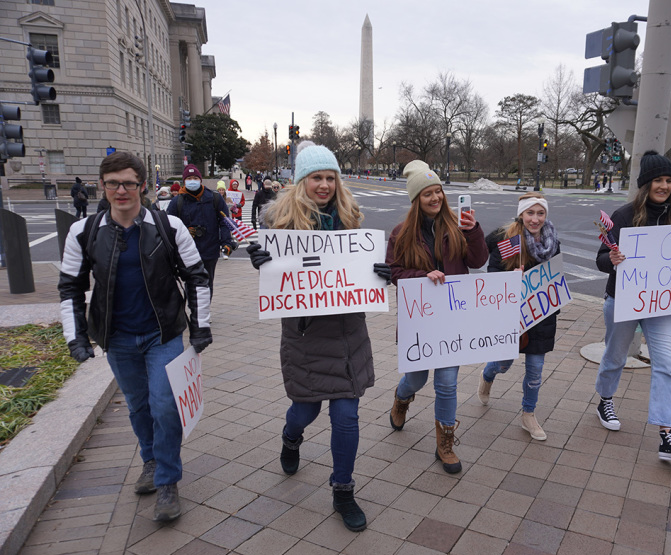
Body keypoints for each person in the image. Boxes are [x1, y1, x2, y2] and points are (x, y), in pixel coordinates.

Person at [58, 151, 212, 522]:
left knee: (164, 406)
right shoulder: (85, 232)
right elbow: (70, 288)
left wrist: (200, 325)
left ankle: (167, 482)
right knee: (139, 407)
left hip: (163, 334)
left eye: (129, 183)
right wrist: (75, 336)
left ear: (142, 187)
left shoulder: (167, 225)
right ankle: (150, 461)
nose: (121, 190)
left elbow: (197, 276)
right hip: (119, 338)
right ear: (103, 186)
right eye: (113, 183)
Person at [245, 143, 389, 532]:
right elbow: (280, 283)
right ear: (301, 182)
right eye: (316, 178)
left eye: (330, 178)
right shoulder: (281, 226)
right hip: (306, 337)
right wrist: (262, 265)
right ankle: (291, 438)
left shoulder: (352, 220)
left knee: (346, 416)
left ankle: (343, 490)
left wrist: (380, 272)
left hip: (347, 335)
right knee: (305, 410)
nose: (324, 185)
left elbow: (359, 272)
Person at [593, 150, 671, 462]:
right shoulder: (623, 216)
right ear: (645, 184)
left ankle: (667, 435)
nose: (664, 186)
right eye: (658, 180)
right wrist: (614, 260)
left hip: (661, 306)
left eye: (669, 180)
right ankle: (605, 399)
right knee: (615, 355)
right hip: (623, 301)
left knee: (666, 364)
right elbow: (600, 259)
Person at [385, 160, 489, 474]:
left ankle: (445, 442)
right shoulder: (401, 233)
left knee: (446, 382)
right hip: (420, 320)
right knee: (417, 378)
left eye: (438, 191)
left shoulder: (457, 226)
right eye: (428, 193)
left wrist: (473, 232)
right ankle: (402, 399)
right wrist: (422, 275)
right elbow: (393, 272)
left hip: (451, 320)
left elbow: (479, 259)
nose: (435, 198)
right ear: (416, 199)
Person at [479, 194, 561, 441]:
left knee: (535, 370)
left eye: (540, 213)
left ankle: (528, 414)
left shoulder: (553, 240)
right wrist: (510, 276)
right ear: (521, 215)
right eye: (530, 213)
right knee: (503, 364)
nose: (535, 219)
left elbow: (556, 274)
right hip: (512, 313)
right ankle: (488, 376)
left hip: (542, 313)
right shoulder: (510, 239)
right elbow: (493, 271)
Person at [166, 164, 236, 292]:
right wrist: (184, 232)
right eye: (189, 178)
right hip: (187, 252)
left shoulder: (214, 198)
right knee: (192, 286)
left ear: (200, 180)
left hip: (210, 251)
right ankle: (195, 311)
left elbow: (225, 222)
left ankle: (203, 311)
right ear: (184, 181)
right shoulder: (177, 202)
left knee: (207, 286)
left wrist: (227, 243)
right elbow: (169, 226)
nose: (192, 181)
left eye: (195, 178)